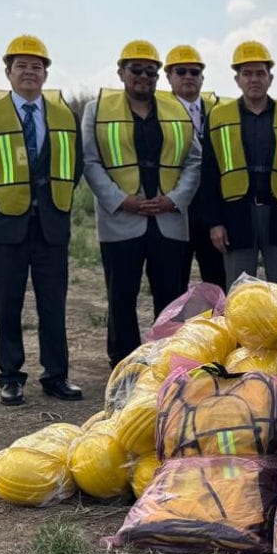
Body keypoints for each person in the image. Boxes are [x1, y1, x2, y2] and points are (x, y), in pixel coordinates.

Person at [0, 35, 84, 406]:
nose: (30, 72)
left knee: (53, 304)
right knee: (7, 302)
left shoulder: (64, 114)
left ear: (46, 74)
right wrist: (0, 199)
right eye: (22, 66)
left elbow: (74, 166)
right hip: (5, 225)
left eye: (37, 66)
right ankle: (11, 376)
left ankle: (56, 375)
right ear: (8, 72)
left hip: (51, 224)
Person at [82, 40, 202, 368]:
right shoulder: (97, 109)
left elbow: (194, 161)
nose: (143, 77)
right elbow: (90, 162)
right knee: (121, 298)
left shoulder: (175, 108)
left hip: (168, 221)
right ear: (121, 72)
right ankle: (124, 364)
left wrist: (174, 200)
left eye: (151, 72)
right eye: (136, 70)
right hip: (122, 221)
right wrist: (122, 201)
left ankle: (167, 362)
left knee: (171, 299)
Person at [199, 40, 277, 290]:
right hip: (235, 216)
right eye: (247, 74)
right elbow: (209, 173)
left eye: (260, 73)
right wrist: (215, 223)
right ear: (237, 79)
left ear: (270, 78)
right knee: (239, 292)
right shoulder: (219, 116)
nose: (254, 79)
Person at [165, 43, 225, 288]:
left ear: (202, 78)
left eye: (194, 72)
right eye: (181, 71)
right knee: (173, 282)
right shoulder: (159, 111)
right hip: (174, 210)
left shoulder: (220, 112)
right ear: (168, 76)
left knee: (218, 282)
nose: (188, 77)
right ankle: (178, 328)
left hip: (213, 210)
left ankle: (216, 327)